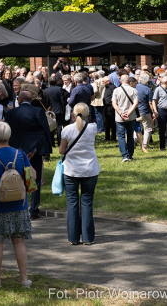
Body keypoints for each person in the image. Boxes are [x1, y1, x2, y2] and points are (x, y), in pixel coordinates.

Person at [0, 121, 32, 288]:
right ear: (9, 136)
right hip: (19, 204)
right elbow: (31, 177)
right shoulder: (20, 153)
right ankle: (24, 279)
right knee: (19, 242)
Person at [3, 91, 52, 220]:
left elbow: (6, 132)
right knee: (35, 181)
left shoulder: (11, 113)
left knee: (16, 178)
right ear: (30, 100)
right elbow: (43, 132)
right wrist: (36, 150)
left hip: (15, 152)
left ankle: (19, 207)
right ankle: (34, 210)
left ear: (20, 100)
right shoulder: (38, 112)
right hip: (33, 152)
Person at [60, 102, 99, 246]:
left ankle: (73, 237)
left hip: (71, 170)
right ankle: (88, 237)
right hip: (90, 169)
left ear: (72, 115)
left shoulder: (67, 130)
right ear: (87, 115)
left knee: (72, 203)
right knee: (87, 202)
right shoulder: (93, 128)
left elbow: (61, 151)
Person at [111, 74, 138, 163]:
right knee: (130, 135)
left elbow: (114, 104)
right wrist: (129, 113)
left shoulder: (116, 90)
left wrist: (121, 113)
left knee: (121, 136)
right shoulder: (134, 90)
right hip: (131, 116)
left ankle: (124, 155)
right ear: (129, 81)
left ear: (120, 81)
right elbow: (136, 103)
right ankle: (130, 155)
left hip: (120, 117)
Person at [150, 76, 167, 151]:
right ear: (165, 82)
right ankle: (162, 146)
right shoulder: (158, 89)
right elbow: (154, 101)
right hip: (162, 110)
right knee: (162, 129)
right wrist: (155, 111)